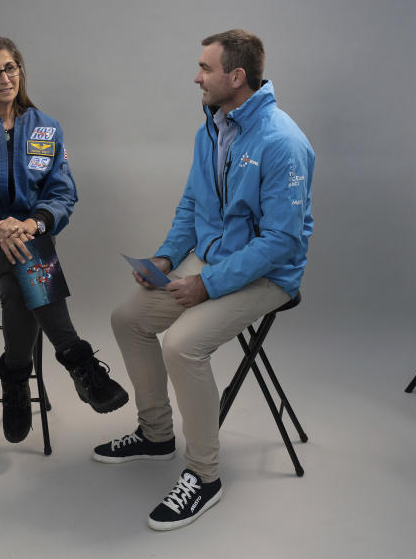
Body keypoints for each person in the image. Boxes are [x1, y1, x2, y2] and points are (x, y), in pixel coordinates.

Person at [93, 29, 314, 531]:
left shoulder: (282, 142)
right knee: (127, 318)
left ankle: (204, 476)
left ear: (236, 77)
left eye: (205, 68)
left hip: (268, 275)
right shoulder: (211, 129)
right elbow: (194, 203)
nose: (196, 76)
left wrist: (207, 286)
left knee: (182, 346)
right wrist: (169, 258)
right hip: (212, 262)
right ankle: (156, 436)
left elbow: (281, 242)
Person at [0, 35, 128, 444]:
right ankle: (79, 362)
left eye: (11, 67)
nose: (5, 78)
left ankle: (15, 379)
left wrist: (35, 223)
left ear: (21, 70)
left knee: (22, 267)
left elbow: (62, 193)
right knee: (31, 256)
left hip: (26, 247)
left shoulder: (46, 128)